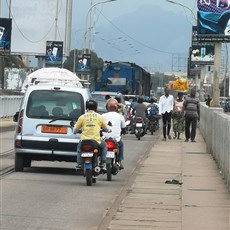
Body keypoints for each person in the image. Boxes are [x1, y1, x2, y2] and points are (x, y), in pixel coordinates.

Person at [74, 99, 110, 169]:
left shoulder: (82, 117)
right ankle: (102, 163)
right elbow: (106, 128)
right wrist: (108, 130)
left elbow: (75, 130)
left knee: (79, 148)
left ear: (87, 107)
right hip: (96, 140)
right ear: (96, 107)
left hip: (84, 140)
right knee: (104, 146)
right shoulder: (99, 117)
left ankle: (79, 164)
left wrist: (75, 131)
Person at [102, 98, 126, 169]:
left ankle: (101, 161)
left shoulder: (103, 116)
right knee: (121, 145)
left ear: (107, 107)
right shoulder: (120, 116)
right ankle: (119, 161)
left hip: (104, 139)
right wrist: (123, 132)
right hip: (116, 140)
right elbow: (124, 128)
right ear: (117, 107)